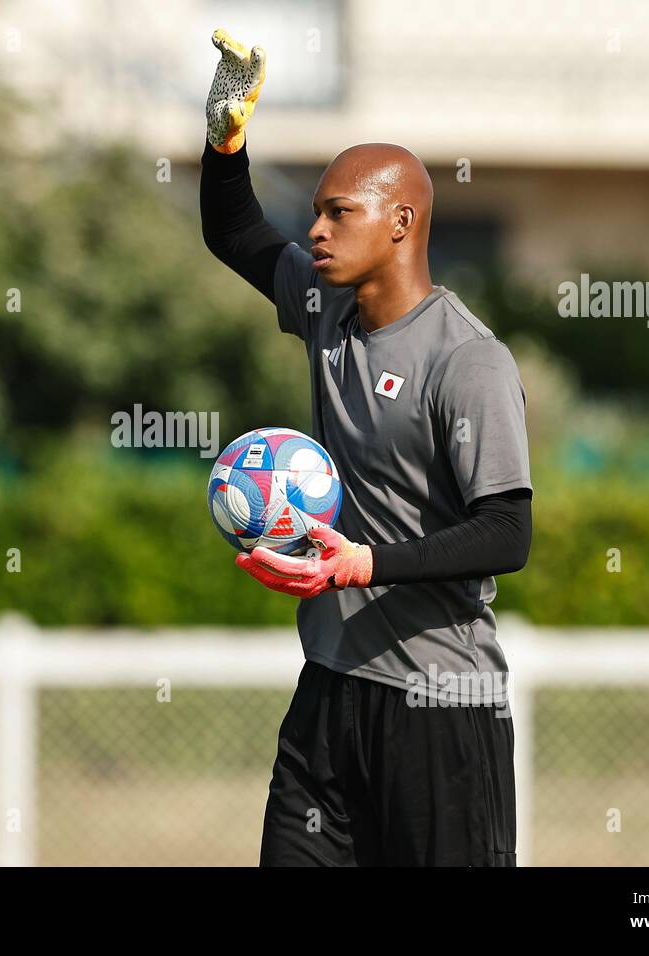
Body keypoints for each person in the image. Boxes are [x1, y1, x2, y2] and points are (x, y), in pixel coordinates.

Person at [200, 29, 533, 866]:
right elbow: (234, 232)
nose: (314, 228)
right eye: (314, 210)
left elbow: (507, 534)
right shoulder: (325, 310)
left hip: (438, 703)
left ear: (401, 221)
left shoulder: (468, 359)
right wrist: (224, 139)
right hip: (330, 693)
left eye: (337, 212)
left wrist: (361, 564)